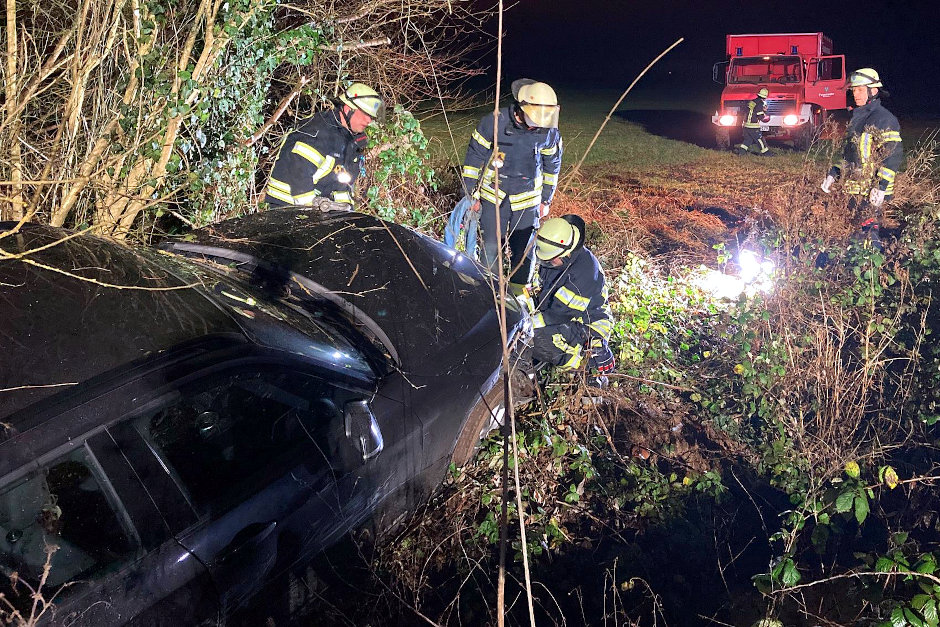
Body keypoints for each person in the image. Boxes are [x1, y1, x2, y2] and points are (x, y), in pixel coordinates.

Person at [461, 79, 563, 294]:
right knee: (491, 247)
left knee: (524, 251)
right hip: (493, 195)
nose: (538, 124)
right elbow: (474, 157)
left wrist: (546, 199)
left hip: (528, 200)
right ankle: (489, 290)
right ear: (521, 108)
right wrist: (470, 195)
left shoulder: (548, 132)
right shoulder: (493, 123)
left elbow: (552, 166)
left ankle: (517, 293)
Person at [265, 82, 385, 210]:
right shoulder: (317, 132)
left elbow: (342, 185)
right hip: (287, 206)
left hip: (317, 207)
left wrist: (346, 213)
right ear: (348, 109)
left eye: (371, 117)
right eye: (364, 114)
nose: (368, 121)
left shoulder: (349, 140)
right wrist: (311, 213)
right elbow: (299, 173)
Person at [820, 68, 902, 249]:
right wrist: (833, 173)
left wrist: (881, 187)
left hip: (871, 191)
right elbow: (850, 155)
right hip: (853, 189)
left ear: (873, 91)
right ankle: (857, 268)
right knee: (855, 233)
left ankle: (871, 270)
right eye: (854, 90)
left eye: (860, 90)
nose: (855, 94)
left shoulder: (883, 118)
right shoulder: (857, 119)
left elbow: (893, 154)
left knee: (869, 234)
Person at [529, 214, 614, 378]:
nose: (548, 263)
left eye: (552, 259)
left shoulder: (584, 274)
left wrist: (526, 324)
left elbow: (559, 315)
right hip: (562, 315)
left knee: (537, 339)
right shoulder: (557, 257)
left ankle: (583, 368)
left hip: (587, 324)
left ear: (566, 253)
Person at [735, 87, 771, 155]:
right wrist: (765, 116)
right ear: (765, 97)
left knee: (748, 140)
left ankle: (741, 152)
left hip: (746, 125)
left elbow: (751, 111)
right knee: (760, 139)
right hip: (753, 126)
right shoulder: (760, 103)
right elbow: (760, 116)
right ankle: (767, 153)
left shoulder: (752, 102)